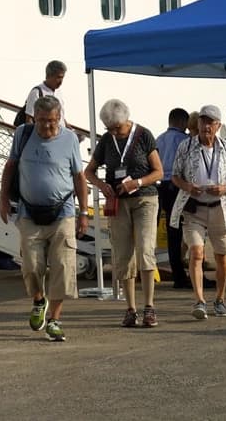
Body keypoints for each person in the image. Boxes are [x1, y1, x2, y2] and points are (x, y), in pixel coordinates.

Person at [0, 95, 89, 342]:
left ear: (59, 118)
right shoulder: (23, 134)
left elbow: (79, 176)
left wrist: (83, 211)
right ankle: (39, 299)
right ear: (34, 118)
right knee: (31, 265)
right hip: (29, 211)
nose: (46, 126)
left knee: (62, 264)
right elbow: (10, 165)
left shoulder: (70, 139)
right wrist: (4, 199)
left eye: (51, 121)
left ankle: (55, 319)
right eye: (41, 121)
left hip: (63, 212)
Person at [84, 98, 164, 327]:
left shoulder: (144, 135)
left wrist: (137, 182)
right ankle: (130, 308)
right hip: (118, 202)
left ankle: (149, 307)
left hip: (144, 199)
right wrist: (102, 185)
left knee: (146, 250)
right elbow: (88, 171)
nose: (114, 132)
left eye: (117, 128)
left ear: (126, 121)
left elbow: (158, 172)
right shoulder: (107, 140)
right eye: (109, 128)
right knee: (122, 254)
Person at [170, 105, 226, 319]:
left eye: (210, 122)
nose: (206, 126)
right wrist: (187, 186)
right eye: (203, 121)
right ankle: (199, 300)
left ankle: (220, 299)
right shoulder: (186, 146)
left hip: (220, 208)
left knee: (222, 257)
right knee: (196, 253)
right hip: (194, 209)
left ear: (218, 125)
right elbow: (175, 175)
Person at [155, 107, 194, 289]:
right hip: (180, 187)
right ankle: (188, 274)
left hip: (162, 188)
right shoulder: (186, 140)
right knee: (191, 228)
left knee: (173, 233)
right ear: (182, 122)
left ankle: (178, 274)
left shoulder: (158, 140)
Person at [21, 60, 69, 125]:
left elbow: (60, 116)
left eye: (62, 78)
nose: (61, 81)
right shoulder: (36, 92)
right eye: (58, 77)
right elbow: (29, 119)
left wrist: (67, 127)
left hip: (60, 133)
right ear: (48, 76)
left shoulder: (58, 92)